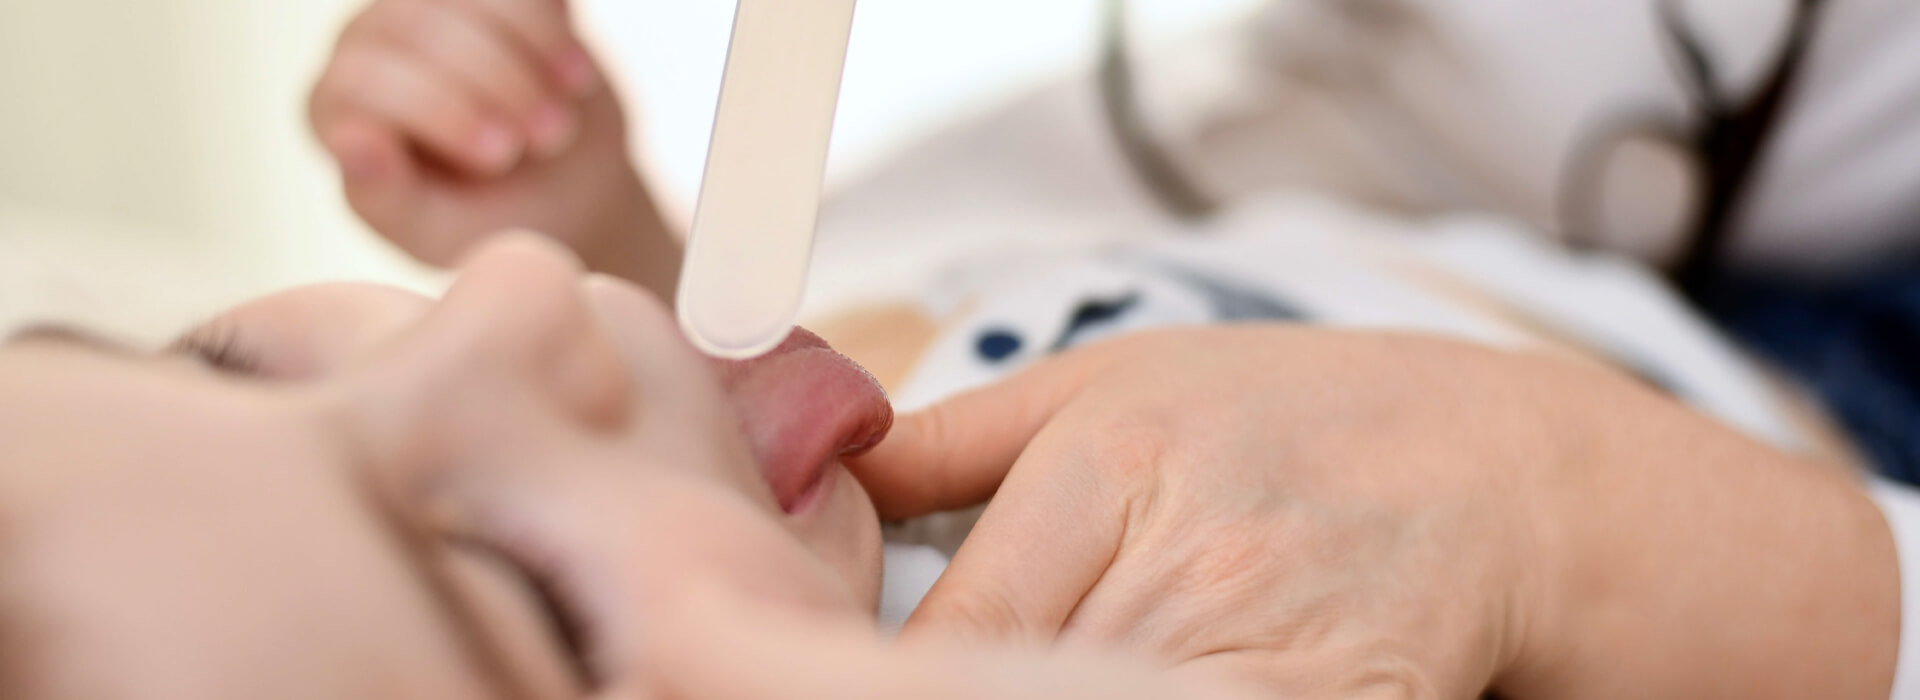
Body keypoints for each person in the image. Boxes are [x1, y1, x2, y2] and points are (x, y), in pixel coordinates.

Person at [299, 0, 1920, 697]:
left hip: (1608, 228)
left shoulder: (747, 451)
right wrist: (1547, 508)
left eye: (246, 366)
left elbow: (709, 354)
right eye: (501, 581)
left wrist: (606, 220)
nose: (518, 316)